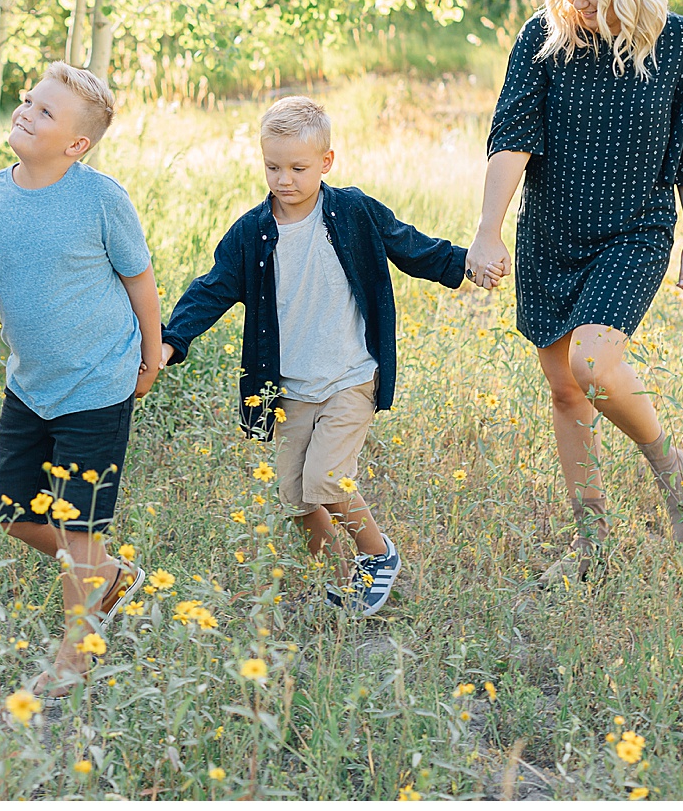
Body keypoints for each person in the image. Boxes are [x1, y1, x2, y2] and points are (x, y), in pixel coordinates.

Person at [465, 0, 683, 590]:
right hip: (552, 231)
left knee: (594, 361)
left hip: (633, 232)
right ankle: (593, 547)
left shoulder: (679, 42)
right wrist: (489, 229)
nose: (574, 3)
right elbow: (511, 138)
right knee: (565, 393)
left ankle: (678, 481)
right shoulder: (542, 41)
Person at [158, 96, 469, 616]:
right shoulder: (251, 233)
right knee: (297, 498)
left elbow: (409, 245)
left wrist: (464, 264)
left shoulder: (351, 212)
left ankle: (377, 554)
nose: (284, 179)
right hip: (290, 388)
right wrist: (173, 338)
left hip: (350, 374)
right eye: (273, 166)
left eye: (298, 168)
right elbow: (212, 289)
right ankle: (347, 583)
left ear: (326, 163)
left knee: (328, 479)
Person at [0, 63, 161, 697]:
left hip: (97, 382)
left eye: (45, 111)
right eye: (28, 100)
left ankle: (74, 657)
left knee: (78, 529)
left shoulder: (102, 199)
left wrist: (151, 354)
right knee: (14, 512)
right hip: (31, 384)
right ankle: (104, 573)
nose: (25, 111)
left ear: (76, 144)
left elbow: (140, 279)